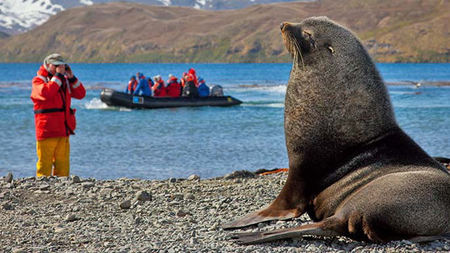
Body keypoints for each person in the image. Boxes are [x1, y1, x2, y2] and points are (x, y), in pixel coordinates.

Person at [31, 53, 86, 177]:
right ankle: (42, 190)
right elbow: (46, 93)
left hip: (63, 130)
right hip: (46, 131)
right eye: (56, 66)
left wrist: (71, 77)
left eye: (62, 66)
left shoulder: (63, 81)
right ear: (48, 65)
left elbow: (81, 94)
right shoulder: (38, 81)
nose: (59, 68)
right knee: (44, 166)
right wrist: (58, 76)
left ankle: (62, 191)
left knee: (63, 166)